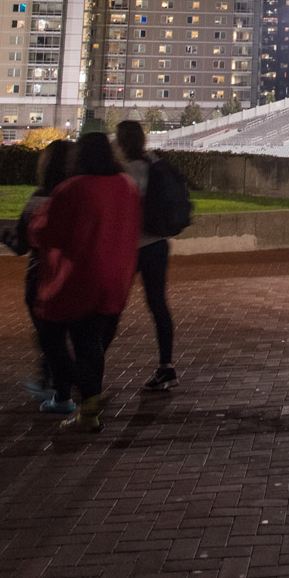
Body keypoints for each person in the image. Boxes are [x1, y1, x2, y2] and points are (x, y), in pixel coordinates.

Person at [28, 131, 141, 433]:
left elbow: (48, 233)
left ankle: (86, 393)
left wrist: (33, 224)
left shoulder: (72, 188)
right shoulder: (126, 185)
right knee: (91, 343)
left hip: (79, 278)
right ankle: (89, 412)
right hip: (116, 276)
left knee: (52, 336)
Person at [11, 139, 75, 412]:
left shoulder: (40, 197)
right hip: (74, 273)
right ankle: (65, 381)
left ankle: (60, 385)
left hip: (41, 275)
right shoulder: (78, 195)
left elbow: (21, 242)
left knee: (49, 334)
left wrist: (2, 235)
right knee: (74, 333)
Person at [115, 120, 176, 391]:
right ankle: (166, 367)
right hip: (158, 244)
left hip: (131, 246)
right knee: (158, 305)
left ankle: (88, 374)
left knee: (111, 306)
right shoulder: (154, 163)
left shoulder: (123, 171)